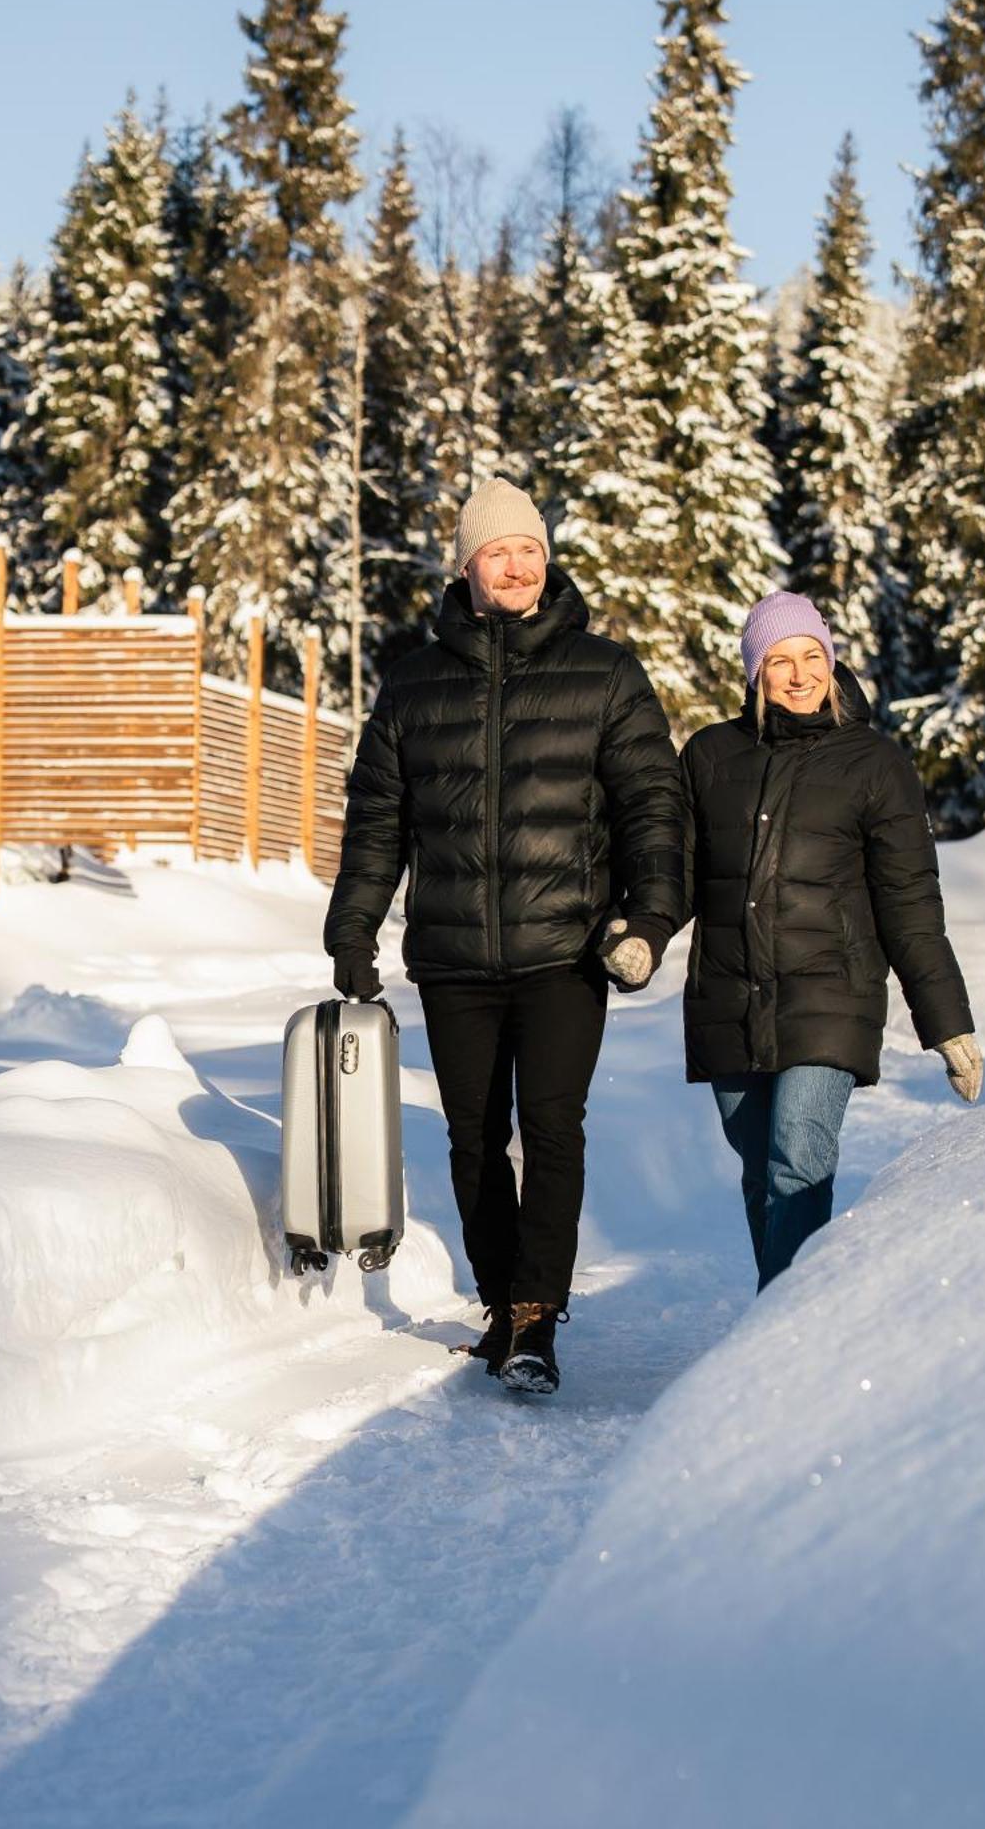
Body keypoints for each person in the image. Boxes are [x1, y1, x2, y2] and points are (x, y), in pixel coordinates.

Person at [324, 477, 684, 1391]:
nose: (516, 566)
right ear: (469, 567)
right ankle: (499, 1303)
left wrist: (647, 917)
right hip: (454, 958)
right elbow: (377, 820)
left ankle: (534, 1316)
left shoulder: (606, 673)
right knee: (474, 1137)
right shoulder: (412, 684)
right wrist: (354, 926)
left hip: (567, 951)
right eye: (497, 552)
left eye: (529, 550)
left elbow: (654, 805)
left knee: (553, 1128)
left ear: (546, 561)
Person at [679, 590, 982, 1291]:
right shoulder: (710, 757)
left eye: (811, 656)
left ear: (832, 660)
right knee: (762, 1173)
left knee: (798, 1156)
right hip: (729, 993)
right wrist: (631, 932)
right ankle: (780, 1314)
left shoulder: (874, 763)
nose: (798, 674)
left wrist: (948, 1023)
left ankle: (787, 1343)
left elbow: (908, 899)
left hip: (831, 993)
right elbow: (676, 873)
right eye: (779, 660)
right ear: (754, 672)